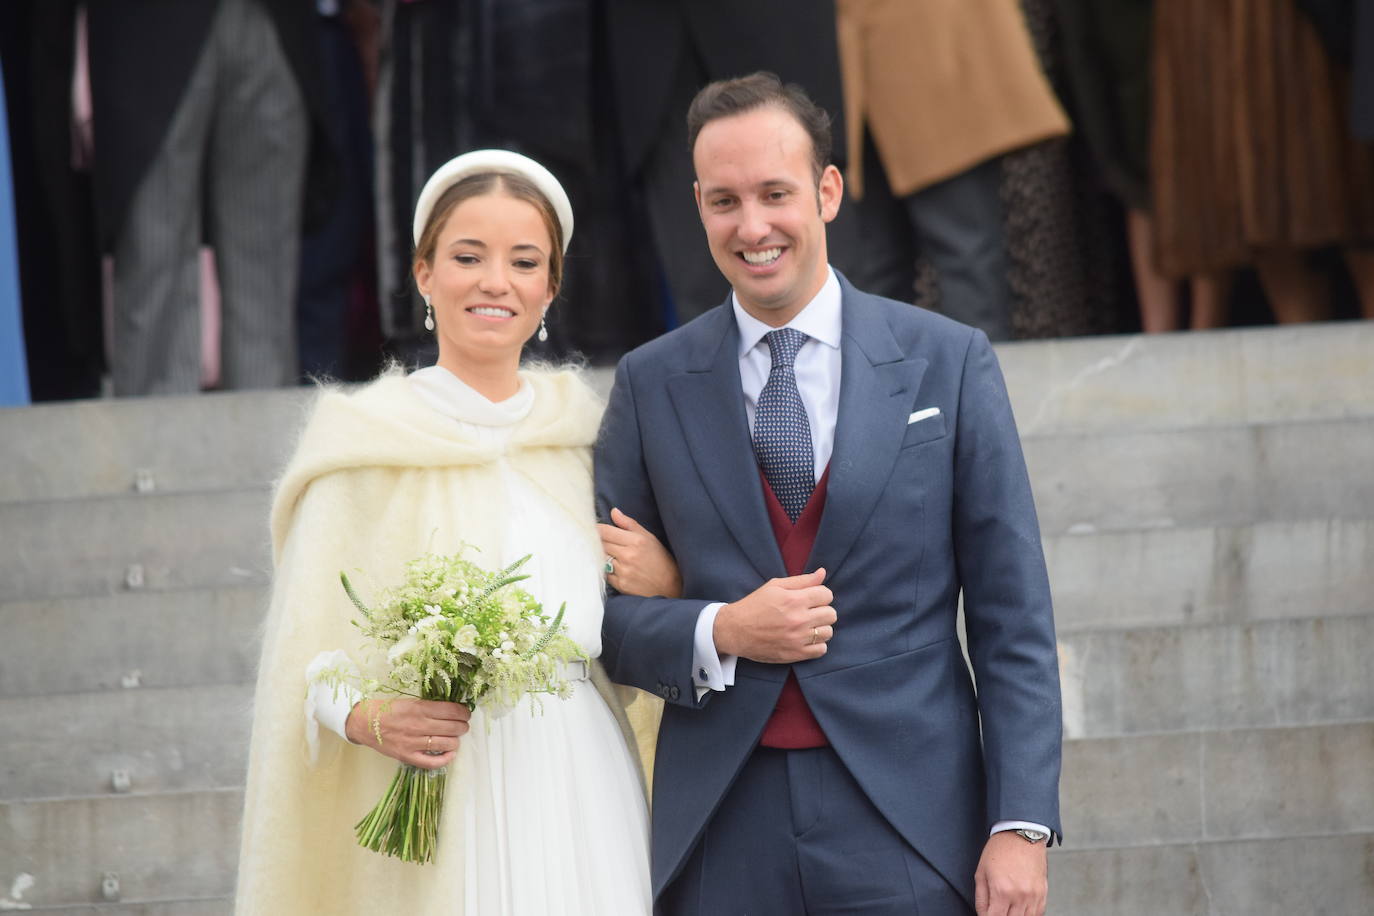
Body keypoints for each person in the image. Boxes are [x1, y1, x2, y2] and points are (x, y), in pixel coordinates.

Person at [595, 73, 1063, 915]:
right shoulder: (650, 383)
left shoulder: (946, 362)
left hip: (912, 820)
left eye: (776, 193)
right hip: (720, 827)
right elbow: (605, 624)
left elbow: (1013, 615)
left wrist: (1020, 824)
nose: (753, 226)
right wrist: (722, 626)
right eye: (724, 201)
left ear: (828, 190)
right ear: (697, 205)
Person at [236, 150, 665, 914]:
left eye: (523, 261)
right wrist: (372, 718)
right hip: (445, 794)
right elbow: (305, 659)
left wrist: (664, 582)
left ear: (549, 289)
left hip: (582, 782)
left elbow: (634, 628)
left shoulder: (587, 440)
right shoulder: (361, 442)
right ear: (425, 275)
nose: (495, 281)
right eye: (468, 256)